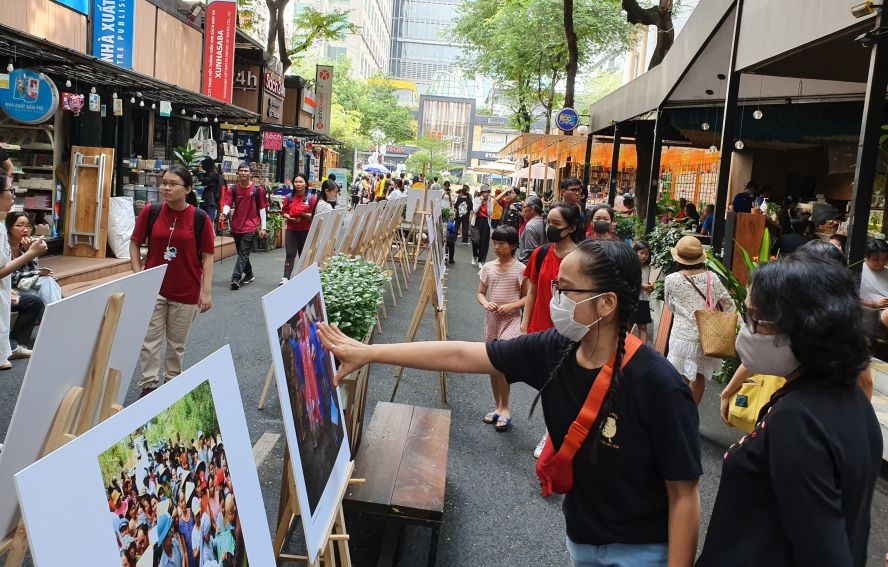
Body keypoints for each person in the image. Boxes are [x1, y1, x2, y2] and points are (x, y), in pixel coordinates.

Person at [319, 239, 702, 567]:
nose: (554, 299)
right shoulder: (556, 348)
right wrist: (370, 352)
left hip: (641, 552)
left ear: (606, 304)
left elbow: (684, 495)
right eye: (555, 287)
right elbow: (461, 356)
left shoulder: (659, 385)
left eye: (566, 290)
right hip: (582, 539)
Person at [698, 254, 881, 567]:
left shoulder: (797, 420)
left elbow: (824, 551)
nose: (747, 330)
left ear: (804, 329)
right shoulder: (849, 398)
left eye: (755, 320)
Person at [130, 165, 215, 397]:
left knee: (177, 344)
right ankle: (148, 385)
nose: (166, 188)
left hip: (186, 291)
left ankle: (172, 383)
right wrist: (138, 274)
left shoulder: (200, 218)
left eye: (172, 184)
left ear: (187, 189)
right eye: (164, 183)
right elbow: (135, 242)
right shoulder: (152, 211)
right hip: (154, 288)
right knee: (149, 340)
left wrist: (205, 292)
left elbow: (208, 256)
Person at [521, 202, 580, 458]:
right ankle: (555, 431)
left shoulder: (581, 259)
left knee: (558, 385)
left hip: (569, 332)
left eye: (557, 224)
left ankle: (551, 435)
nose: (550, 228)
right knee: (547, 384)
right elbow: (532, 290)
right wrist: (524, 326)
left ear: (572, 228)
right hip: (540, 329)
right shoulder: (541, 254)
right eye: (549, 222)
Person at [664, 235, 734, 404]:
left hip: (680, 335)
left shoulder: (671, 279)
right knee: (698, 376)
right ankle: (691, 416)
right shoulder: (712, 278)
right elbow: (728, 305)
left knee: (678, 376)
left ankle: (677, 415)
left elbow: (669, 305)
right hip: (705, 335)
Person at [477, 226, 525, 432]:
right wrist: (485, 303)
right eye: (494, 243)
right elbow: (480, 293)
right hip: (492, 320)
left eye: (501, 244)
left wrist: (511, 306)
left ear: (513, 246)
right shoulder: (488, 267)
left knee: (503, 363)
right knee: (491, 365)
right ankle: (498, 406)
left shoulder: (521, 269)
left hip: (511, 320)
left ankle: (505, 408)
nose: (496, 247)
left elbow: (526, 297)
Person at [0, 176, 46, 370]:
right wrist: (31, 254)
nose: (13, 194)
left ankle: (13, 346)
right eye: (10, 190)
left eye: (27, 226)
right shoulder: (2, 231)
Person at [222, 164, 267, 290]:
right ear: (238, 173)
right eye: (241, 171)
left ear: (250, 173)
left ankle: (235, 278)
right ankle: (249, 274)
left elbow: (262, 209)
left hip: (251, 225)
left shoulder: (258, 189)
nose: (243, 173)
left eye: (246, 171)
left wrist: (263, 227)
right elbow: (227, 203)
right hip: (236, 225)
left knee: (243, 252)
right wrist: (224, 213)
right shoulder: (233, 189)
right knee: (242, 252)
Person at [6, 212, 62, 305]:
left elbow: (32, 270)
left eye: (29, 226)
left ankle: (55, 316)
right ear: (10, 228)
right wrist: (37, 272)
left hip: (27, 284)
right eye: (20, 225)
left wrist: (29, 251)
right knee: (41, 295)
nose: (25, 229)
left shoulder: (29, 244)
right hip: (11, 288)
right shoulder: (4, 247)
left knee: (48, 282)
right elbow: (10, 277)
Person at [280, 173, 316, 285]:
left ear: (306, 184)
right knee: (290, 253)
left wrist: (303, 214)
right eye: (296, 182)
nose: (298, 184)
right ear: (293, 183)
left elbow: (315, 215)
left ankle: (305, 277)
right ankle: (286, 277)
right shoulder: (289, 197)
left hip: (305, 230)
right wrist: (291, 218)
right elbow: (284, 212)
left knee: (303, 254)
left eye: (301, 182)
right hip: (291, 229)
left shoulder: (311, 198)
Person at [630, 241, 654, 342]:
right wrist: (642, 286)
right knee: (627, 326)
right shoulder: (630, 266)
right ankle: (626, 351)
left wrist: (650, 286)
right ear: (635, 252)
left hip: (643, 300)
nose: (644, 256)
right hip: (631, 299)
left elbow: (645, 281)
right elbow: (628, 281)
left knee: (643, 327)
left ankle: (641, 352)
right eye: (642, 253)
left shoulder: (647, 267)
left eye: (647, 254)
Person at [517, 196, 545, 264]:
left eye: (524, 207)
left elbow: (531, 253)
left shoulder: (531, 226)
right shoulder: (544, 221)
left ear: (532, 209)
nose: (522, 210)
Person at [198, 158, 222, 235]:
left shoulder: (213, 173)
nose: (202, 166)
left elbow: (204, 181)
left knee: (210, 215)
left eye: (203, 165)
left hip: (210, 198)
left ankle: (212, 233)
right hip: (209, 197)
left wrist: (200, 173)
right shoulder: (212, 172)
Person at [560, 178, 588, 242]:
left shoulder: (581, 206)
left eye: (579, 190)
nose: (577, 193)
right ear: (563, 192)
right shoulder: (558, 209)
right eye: (573, 190)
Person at [472, 186, 493, 268]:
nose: (486, 194)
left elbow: (489, 213)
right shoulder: (477, 199)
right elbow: (475, 210)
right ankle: (475, 255)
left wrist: (487, 203)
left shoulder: (490, 201)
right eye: (484, 192)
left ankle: (481, 260)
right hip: (477, 221)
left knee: (484, 242)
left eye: (488, 192)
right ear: (481, 193)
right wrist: (481, 202)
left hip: (485, 221)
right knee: (475, 240)